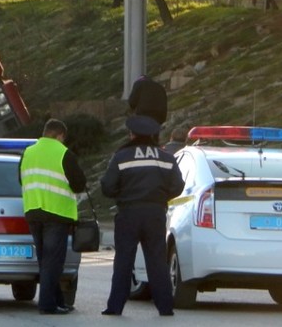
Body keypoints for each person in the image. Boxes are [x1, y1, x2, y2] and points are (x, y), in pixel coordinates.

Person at [100, 115, 185, 317]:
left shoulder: (122, 156)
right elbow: (178, 186)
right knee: (157, 260)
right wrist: (161, 197)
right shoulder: (166, 157)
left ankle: (115, 307)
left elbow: (107, 186)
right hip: (155, 213)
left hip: (128, 212)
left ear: (132, 134)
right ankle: (165, 307)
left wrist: (122, 194)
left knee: (123, 261)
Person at [18, 119, 87, 315]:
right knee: (53, 261)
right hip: (56, 213)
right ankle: (47, 304)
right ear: (60, 135)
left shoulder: (28, 153)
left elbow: (20, 179)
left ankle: (58, 300)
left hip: (33, 211)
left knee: (45, 260)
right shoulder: (64, 153)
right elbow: (79, 184)